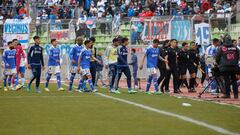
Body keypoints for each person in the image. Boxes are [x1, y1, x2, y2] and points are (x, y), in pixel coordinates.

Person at [215, 34, 239, 99]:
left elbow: (217, 57)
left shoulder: (221, 47)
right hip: (234, 66)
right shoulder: (235, 47)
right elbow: (238, 56)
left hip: (224, 67)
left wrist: (218, 64)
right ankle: (236, 95)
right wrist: (235, 62)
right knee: (234, 80)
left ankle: (227, 94)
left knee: (226, 80)